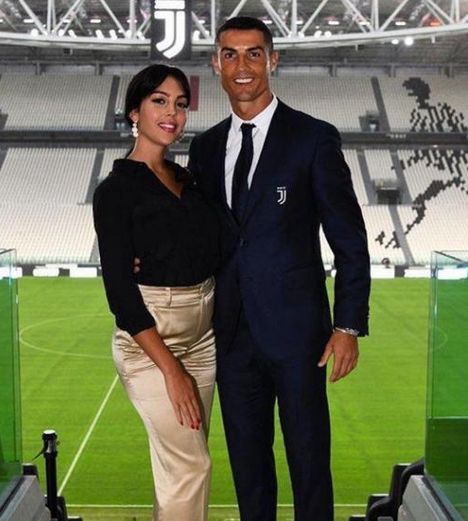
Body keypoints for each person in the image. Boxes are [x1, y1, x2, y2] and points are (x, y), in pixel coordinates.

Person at [188, 17, 371, 521]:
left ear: (273, 60)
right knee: (248, 470)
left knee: (309, 465)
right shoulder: (205, 148)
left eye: (253, 53)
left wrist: (348, 326)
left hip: (299, 337)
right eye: (230, 54)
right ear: (216, 64)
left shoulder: (313, 138)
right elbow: (202, 235)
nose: (241, 65)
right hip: (230, 336)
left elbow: (349, 240)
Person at [93, 64, 219, 521]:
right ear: (134, 112)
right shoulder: (115, 191)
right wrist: (171, 371)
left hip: (203, 341)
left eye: (181, 105)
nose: (172, 114)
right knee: (191, 466)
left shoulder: (189, 181)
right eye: (159, 101)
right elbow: (121, 296)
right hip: (151, 344)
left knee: (180, 466)